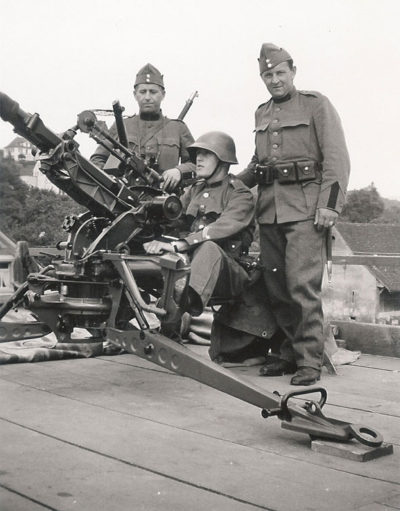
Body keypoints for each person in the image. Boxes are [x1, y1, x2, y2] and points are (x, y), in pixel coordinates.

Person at [238, 43, 350, 385]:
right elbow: (259, 165)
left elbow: (336, 158)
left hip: (306, 211)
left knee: (302, 286)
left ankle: (309, 361)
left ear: (293, 71)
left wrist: (329, 205)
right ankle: (288, 353)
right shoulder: (261, 112)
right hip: (270, 212)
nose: (275, 80)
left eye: (280, 73)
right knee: (276, 286)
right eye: (267, 75)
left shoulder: (316, 105)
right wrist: (232, 184)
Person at [143, 131, 255, 325]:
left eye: (206, 154)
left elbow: (222, 228)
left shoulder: (240, 194)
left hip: (227, 272)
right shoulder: (195, 190)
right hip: (190, 265)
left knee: (208, 247)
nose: (199, 159)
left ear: (223, 160)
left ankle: (182, 302)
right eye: (197, 155)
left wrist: (180, 245)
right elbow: (174, 221)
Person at [90, 63, 195, 192]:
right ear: (135, 95)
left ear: (163, 94)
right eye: (142, 92)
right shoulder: (121, 125)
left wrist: (179, 171)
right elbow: (98, 159)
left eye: (153, 92)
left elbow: (197, 164)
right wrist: (111, 181)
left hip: (165, 202)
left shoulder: (178, 128)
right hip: (123, 200)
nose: (147, 97)